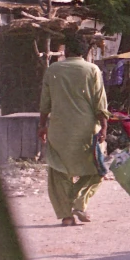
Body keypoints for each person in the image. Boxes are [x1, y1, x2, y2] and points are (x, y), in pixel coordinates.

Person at [38, 34, 111, 226]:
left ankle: (66, 216)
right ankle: (79, 202)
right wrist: (104, 127)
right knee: (98, 170)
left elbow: (45, 102)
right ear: (85, 52)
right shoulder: (92, 69)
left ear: (66, 51)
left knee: (59, 173)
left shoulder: (53, 69)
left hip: (59, 131)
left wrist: (42, 126)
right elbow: (100, 102)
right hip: (86, 131)